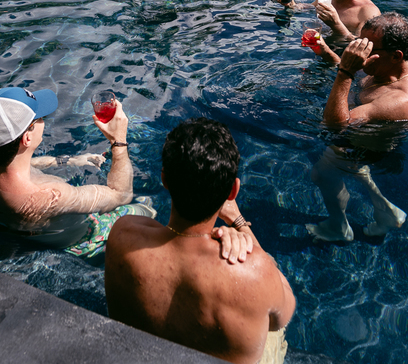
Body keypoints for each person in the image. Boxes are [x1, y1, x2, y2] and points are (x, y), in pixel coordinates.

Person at [105, 118, 296, 364]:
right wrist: (239, 223)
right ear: (232, 192)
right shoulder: (254, 272)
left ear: (164, 180)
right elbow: (284, 315)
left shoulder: (124, 233)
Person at [0, 87, 156, 257]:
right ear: (27, 137)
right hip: (82, 241)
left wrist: (65, 161)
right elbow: (121, 194)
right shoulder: (52, 194)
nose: (43, 121)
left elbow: (22, 163)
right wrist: (119, 141)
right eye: (40, 118)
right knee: (145, 209)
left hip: (24, 233)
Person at [307, 12, 408, 243]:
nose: (360, 51)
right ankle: (387, 212)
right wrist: (325, 52)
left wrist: (346, 72)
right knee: (351, 162)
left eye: (367, 47)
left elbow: (334, 126)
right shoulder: (385, 67)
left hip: (371, 143)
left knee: (321, 173)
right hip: (363, 136)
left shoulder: (399, 100)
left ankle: (339, 227)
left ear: (395, 55)